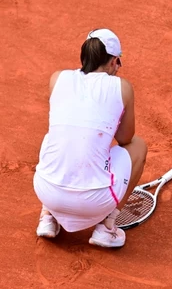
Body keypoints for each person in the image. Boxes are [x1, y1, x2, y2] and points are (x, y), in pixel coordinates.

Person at [33, 28, 147, 248]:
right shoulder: (122, 87)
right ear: (114, 61)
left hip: (46, 192)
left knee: (54, 137)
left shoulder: (57, 78)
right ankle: (106, 228)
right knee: (138, 147)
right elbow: (126, 139)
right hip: (94, 203)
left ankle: (48, 216)